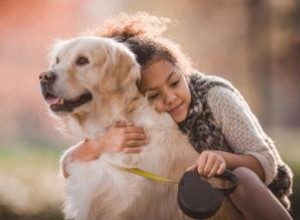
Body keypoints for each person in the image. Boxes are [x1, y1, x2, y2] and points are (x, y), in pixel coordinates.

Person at [60, 13, 293, 219]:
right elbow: (68, 166)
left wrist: (225, 159)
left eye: (174, 82)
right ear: (139, 100)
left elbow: (267, 161)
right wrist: (101, 144)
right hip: (195, 206)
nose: (170, 98)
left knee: (241, 176)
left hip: (247, 201)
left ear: (183, 69)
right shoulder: (144, 121)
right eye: (154, 95)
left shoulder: (215, 96)